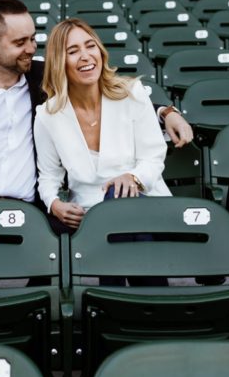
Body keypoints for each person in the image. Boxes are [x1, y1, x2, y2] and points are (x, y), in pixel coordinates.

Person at [0, 0, 193, 214]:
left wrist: (165, 111)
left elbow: (105, 89)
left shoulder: (46, 76)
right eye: (20, 42)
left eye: (33, 38)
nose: (31, 49)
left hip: (30, 210)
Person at [34, 18, 171, 234]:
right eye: (73, 51)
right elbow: (49, 175)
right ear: (59, 62)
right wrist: (54, 203)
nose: (86, 56)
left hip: (145, 204)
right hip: (88, 215)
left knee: (117, 196)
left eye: (90, 46)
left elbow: (153, 157)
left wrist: (133, 177)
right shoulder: (47, 115)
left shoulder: (132, 93)